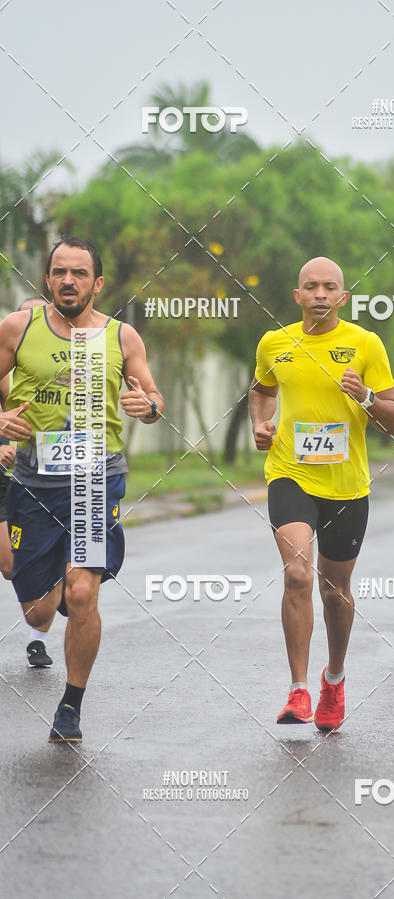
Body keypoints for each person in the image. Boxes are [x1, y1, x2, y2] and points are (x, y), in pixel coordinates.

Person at [0, 237, 163, 742]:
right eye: (59, 272)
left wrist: (149, 406)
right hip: (32, 481)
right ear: (48, 279)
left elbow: (151, 395)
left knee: (83, 592)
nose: (68, 280)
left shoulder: (121, 336)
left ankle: (70, 705)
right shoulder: (17, 329)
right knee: (35, 607)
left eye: (79, 272)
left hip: (97, 477)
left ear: (98, 283)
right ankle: (57, 594)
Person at [249, 256, 394, 731]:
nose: (319, 293)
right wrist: (260, 422)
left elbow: (393, 417)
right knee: (297, 574)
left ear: (343, 296)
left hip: (347, 485)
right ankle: (298, 690)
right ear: (297, 296)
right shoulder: (276, 343)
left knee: (335, 591)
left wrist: (367, 398)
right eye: (310, 286)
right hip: (289, 472)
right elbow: (261, 387)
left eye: (328, 286)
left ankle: (333, 679)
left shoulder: (364, 343)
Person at [0, 298, 56, 667]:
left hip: (42, 479)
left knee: (29, 563)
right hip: (4, 477)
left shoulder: (63, 368)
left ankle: (37, 638)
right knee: (8, 564)